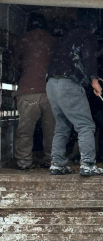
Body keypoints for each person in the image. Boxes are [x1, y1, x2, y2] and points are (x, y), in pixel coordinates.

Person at [46, 8, 103, 176]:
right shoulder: (88, 36)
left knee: (62, 125)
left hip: (51, 83)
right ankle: (88, 164)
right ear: (93, 26)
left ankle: (57, 163)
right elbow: (89, 57)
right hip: (68, 83)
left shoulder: (66, 38)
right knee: (85, 125)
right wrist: (94, 80)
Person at [11, 12, 56, 170]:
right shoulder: (52, 41)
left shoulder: (23, 40)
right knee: (51, 131)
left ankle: (24, 162)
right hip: (51, 92)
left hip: (27, 91)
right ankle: (52, 161)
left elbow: (15, 64)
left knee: (25, 131)